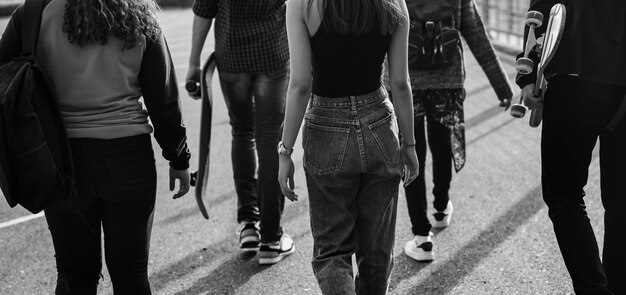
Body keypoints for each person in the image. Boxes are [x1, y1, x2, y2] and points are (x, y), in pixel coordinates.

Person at [0, 0, 191, 294]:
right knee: (132, 274)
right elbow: (162, 100)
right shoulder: (139, 14)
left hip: (60, 161)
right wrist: (179, 158)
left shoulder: (35, 13)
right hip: (128, 158)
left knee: (75, 274)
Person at [278, 0, 419, 293]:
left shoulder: (300, 4)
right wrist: (410, 144)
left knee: (333, 251)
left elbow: (301, 85)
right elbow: (400, 82)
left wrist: (285, 150)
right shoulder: (393, 3)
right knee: (377, 253)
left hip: (326, 126)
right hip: (379, 125)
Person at [387, 0, 513, 262]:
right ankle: (441, 208)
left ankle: (422, 238)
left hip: (404, 80)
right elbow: (477, 35)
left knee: (413, 151)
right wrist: (502, 86)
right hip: (448, 77)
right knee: (442, 142)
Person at [518, 1, 626, 294]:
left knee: (564, 195)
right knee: (621, 199)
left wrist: (528, 76)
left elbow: (540, 15)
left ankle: (594, 289)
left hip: (572, 77)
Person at [186, 0, 294, 264]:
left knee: (242, 132)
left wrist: (193, 62)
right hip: (273, 53)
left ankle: (249, 223)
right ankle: (271, 238)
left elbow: (203, 11)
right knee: (270, 139)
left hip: (232, 56)